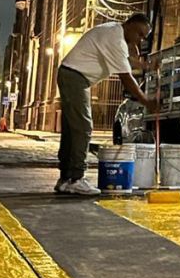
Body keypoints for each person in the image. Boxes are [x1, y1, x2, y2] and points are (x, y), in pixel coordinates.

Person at [55, 13, 158, 196]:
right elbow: (126, 77)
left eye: (143, 37)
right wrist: (146, 101)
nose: (140, 40)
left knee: (72, 129)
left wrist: (145, 66)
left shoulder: (114, 32)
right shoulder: (116, 40)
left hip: (72, 75)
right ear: (130, 25)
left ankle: (65, 179)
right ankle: (76, 178)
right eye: (140, 34)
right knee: (83, 127)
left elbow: (127, 62)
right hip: (75, 77)